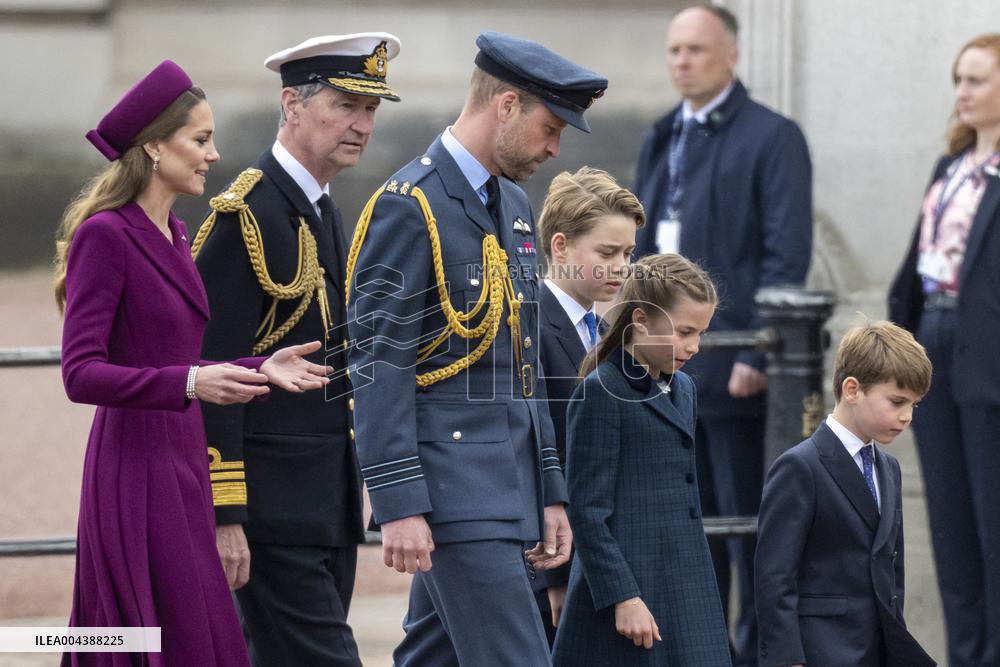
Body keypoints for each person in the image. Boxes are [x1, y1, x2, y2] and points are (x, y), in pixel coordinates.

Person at [55, 60, 331, 666]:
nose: (214, 154)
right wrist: (190, 382)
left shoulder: (177, 233)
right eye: (200, 140)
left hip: (183, 462)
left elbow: (182, 359)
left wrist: (261, 366)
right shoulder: (106, 235)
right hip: (133, 468)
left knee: (199, 638)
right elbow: (80, 373)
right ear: (154, 145)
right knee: (153, 638)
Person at [345, 31, 607, 666]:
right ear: (507, 105)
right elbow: (376, 361)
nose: (554, 147)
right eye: (550, 127)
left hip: (506, 486)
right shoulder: (409, 206)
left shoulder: (513, 206)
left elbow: (523, 366)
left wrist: (549, 487)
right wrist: (398, 502)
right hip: (452, 490)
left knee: (433, 658)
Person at [191, 33, 401, 666]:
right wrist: (226, 512)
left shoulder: (320, 207)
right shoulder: (248, 214)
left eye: (370, 110)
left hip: (324, 504)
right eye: (344, 105)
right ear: (292, 103)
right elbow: (211, 374)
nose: (361, 125)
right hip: (271, 512)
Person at [632, 5, 813, 661]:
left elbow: (784, 251)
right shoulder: (661, 135)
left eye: (697, 50)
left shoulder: (772, 136)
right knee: (685, 533)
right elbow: (642, 250)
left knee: (747, 531)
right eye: (674, 49)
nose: (682, 61)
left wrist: (755, 339)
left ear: (731, 55)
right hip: (666, 372)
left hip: (733, 365)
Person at [551, 253, 732, 666]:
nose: (695, 347)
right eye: (684, 332)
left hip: (685, 582)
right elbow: (588, 511)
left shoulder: (684, 388)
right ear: (641, 320)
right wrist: (623, 596)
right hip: (629, 589)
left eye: (701, 334)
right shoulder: (601, 390)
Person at [888, 32, 1000, 667]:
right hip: (935, 337)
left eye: (977, 79)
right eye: (959, 78)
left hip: (988, 355)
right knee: (952, 527)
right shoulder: (950, 166)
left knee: (993, 531)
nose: (962, 91)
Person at [755, 321, 936, 667]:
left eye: (914, 405)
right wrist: (786, 658)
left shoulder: (890, 469)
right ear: (852, 389)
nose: (906, 416)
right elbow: (774, 576)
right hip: (819, 651)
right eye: (897, 401)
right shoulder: (799, 466)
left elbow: (890, 570)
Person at [534, 166, 645, 641]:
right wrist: (554, 576)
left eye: (628, 253)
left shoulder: (602, 333)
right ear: (561, 246)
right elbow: (536, 445)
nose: (622, 266)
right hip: (552, 558)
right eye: (607, 252)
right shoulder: (529, 324)